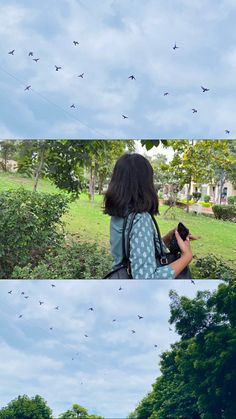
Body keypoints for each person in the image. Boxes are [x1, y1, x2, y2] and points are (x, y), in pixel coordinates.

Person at [104, 153, 199, 279]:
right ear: (145, 183)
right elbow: (147, 279)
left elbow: (131, 250)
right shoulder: (140, 219)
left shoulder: (120, 213)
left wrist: (166, 239)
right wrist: (186, 258)